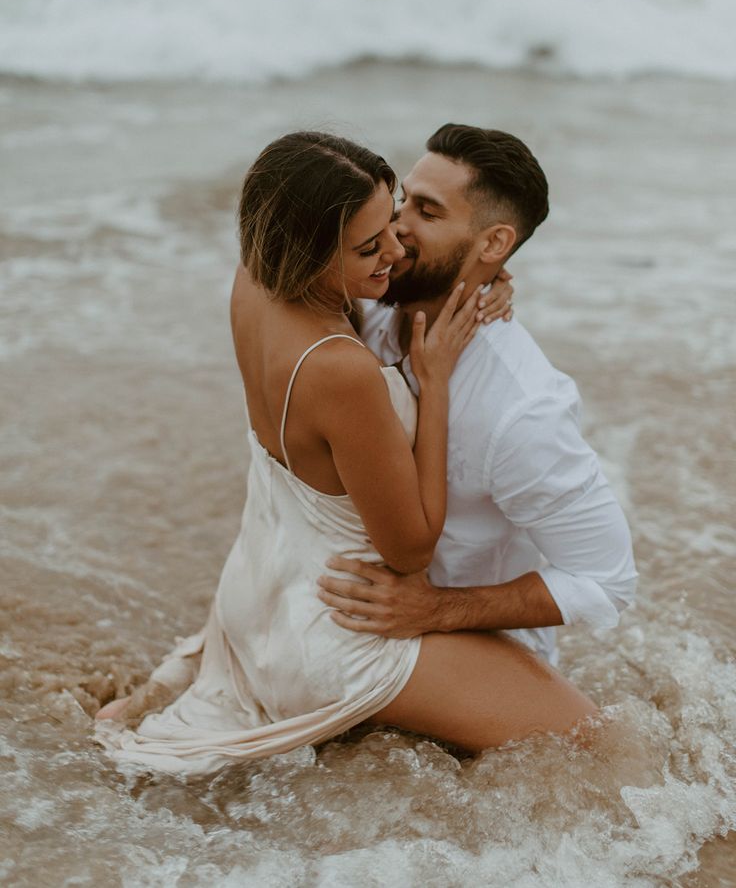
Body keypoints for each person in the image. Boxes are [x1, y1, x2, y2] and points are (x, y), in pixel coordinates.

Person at [94, 131, 596, 776]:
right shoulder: (341, 370)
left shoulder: (254, 278)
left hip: (257, 589)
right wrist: (434, 384)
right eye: (369, 247)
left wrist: (480, 266)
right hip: (336, 629)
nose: (396, 249)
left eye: (393, 221)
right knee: (594, 740)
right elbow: (410, 548)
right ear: (311, 249)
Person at [317, 124, 638, 668]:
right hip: (349, 625)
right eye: (402, 202)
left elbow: (607, 583)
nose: (394, 227)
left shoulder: (521, 410)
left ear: (494, 243)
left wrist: (435, 610)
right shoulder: (367, 309)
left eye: (427, 211)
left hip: (474, 652)